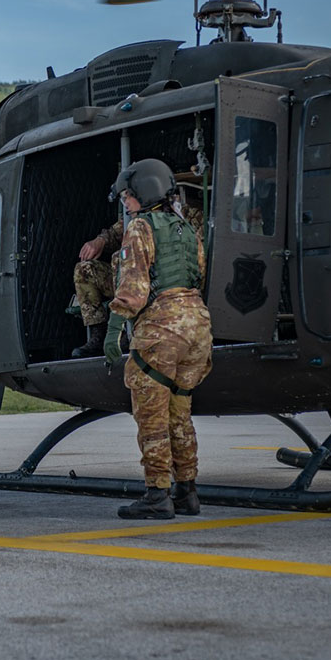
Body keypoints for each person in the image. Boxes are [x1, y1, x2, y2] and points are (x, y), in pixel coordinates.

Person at [103, 160, 213, 520]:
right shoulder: (186, 227)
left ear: (144, 192)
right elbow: (199, 274)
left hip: (162, 329)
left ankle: (157, 495)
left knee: (152, 416)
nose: (125, 202)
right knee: (180, 413)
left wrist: (112, 331)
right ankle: (187, 491)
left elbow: (133, 288)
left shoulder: (140, 228)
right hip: (196, 326)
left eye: (128, 195)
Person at [72, 186, 204, 358]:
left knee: (122, 258)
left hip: (163, 282)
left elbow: (200, 253)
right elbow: (114, 233)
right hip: (133, 283)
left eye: (129, 197)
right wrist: (100, 241)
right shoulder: (136, 217)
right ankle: (97, 336)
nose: (126, 203)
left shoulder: (185, 215)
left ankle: (129, 331)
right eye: (124, 198)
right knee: (85, 270)